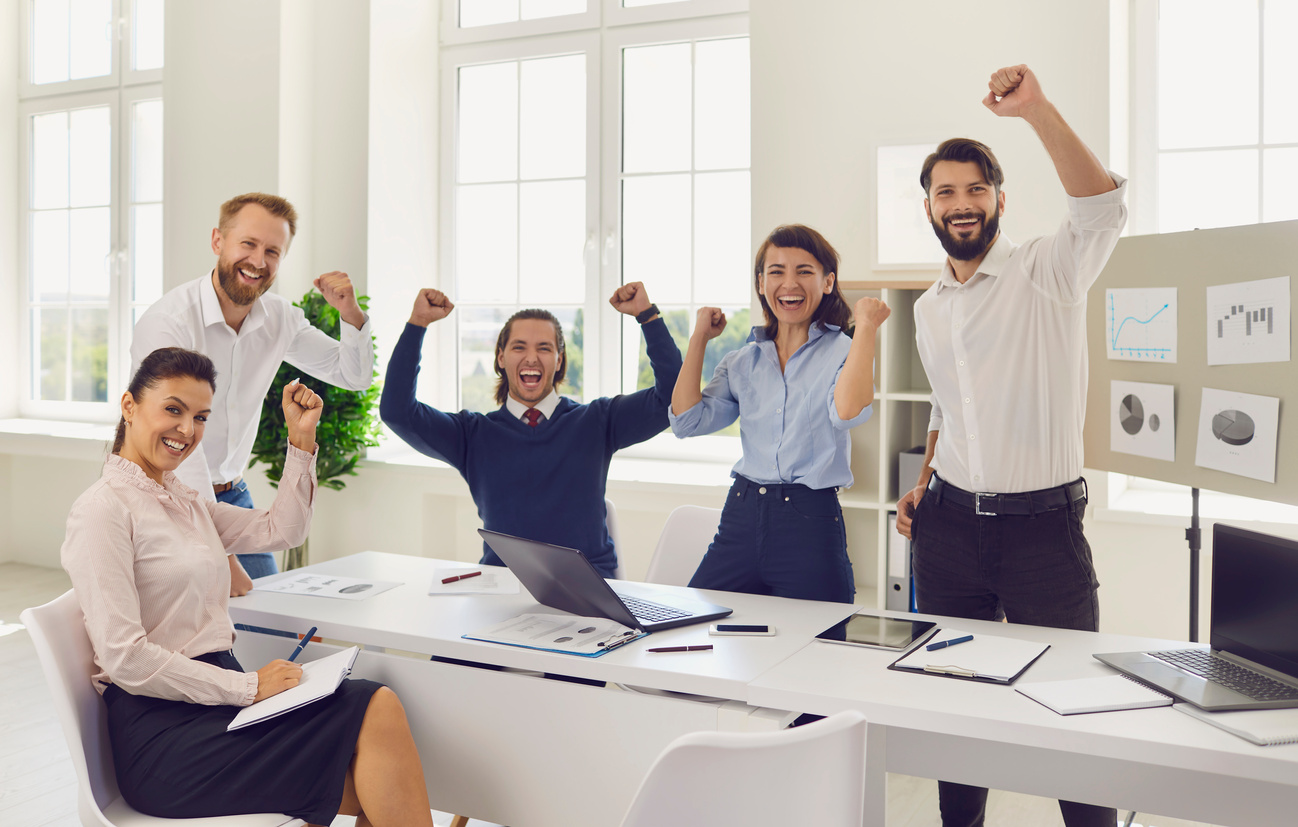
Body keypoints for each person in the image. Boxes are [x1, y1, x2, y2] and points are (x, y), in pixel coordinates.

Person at [60, 347, 433, 826]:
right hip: (163, 736)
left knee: (371, 745)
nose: (187, 431)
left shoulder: (183, 501)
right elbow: (125, 658)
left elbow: (284, 530)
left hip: (217, 707)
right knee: (371, 721)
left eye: (199, 417)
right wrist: (248, 686)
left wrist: (301, 442)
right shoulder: (103, 509)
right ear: (129, 406)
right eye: (173, 409)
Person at [895, 65, 1127, 827]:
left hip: (1044, 534)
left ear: (999, 198)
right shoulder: (930, 307)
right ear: (927, 206)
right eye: (946, 192)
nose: (961, 204)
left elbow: (1101, 207)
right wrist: (924, 482)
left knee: (1071, 711)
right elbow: (946, 405)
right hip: (949, 529)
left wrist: (1036, 111)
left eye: (975, 189)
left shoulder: (1045, 273)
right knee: (956, 715)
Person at [130, 192, 377, 583]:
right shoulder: (169, 324)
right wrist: (217, 551)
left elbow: (353, 375)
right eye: (248, 243)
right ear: (217, 241)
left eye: (273, 251)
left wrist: (350, 312)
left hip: (233, 495)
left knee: (271, 620)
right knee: (195, 628)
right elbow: (174, 435)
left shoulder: (279, 319)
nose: (259, 261)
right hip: (166, 499)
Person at [381, 282, 682, 577]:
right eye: (519, 347)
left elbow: (673, 397)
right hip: (501, 588)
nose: (531, 358)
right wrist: (418, 323)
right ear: (501, 357)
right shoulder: (472, 435)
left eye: (544, 348)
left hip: (588, 592)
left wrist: (648, 316)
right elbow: (397, 412)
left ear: (559, 359)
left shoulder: (597, 420)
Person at [669, 224, 890, 603]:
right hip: (741, 515)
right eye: (776, 271)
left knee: (820, 646)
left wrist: (866, 326)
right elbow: (687, 421)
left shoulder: (843, 351)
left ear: (827, 282)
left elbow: (848, 411)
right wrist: (699, 340)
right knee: (692, 624)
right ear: (760, 284)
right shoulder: (742, 360)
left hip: (810, 523)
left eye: (804, 271)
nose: (790, 283)